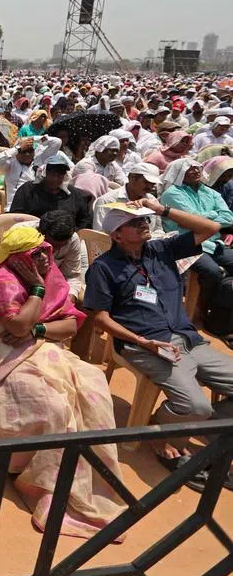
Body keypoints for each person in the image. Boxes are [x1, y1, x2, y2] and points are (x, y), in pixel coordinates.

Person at [0, 224, 124, 538]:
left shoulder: (51, 274)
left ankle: (83, 481)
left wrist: (38, 330)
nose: (43, 258)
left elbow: (68, 327)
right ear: (19, 259)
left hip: (44, 347)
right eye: (35, 254)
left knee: (92, 388)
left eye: (44, 252)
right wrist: (37, 290)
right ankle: (31, 475)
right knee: (51, 404)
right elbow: (17, 324)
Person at [84, 201, 233, 490]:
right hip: (146, 345)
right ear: (116, 234)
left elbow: (211, 228)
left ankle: (206, 429)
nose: (144, 224)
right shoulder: (104, 268)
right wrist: (142, 342)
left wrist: (162, 209)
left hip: (189, 339)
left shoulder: (162, 250)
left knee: (200, 410)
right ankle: (159, 436)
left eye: (145, 220)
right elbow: (100, 319)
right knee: (195, 405)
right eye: (135, 222)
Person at [158, 158, 233, 330]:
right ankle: (199, 310)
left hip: (213, 242)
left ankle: (217, 311)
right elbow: (193, 222)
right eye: (189, 169)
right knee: (212, 272)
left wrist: (201, 218)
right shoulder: (173, 193)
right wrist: (211, 215)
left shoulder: (209, 191)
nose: (196, 171)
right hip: (186, 242)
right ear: (179, 173)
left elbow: (228, 217)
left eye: (197, 168)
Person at [9, 155, 92, 230]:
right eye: (52, 174)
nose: (55, 179)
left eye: (59, 175)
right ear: (44, 173)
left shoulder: (73, 194)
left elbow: (84, 220)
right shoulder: (28, 190)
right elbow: (16, 215)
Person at [92, 163, 163, 233]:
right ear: (132, 177)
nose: (150, 187)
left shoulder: (152, 200)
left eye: (153, 184)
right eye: (146, 182)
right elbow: (100, 233)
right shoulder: (107, 201)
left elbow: (158, 229)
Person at [0, 135, 61, 204]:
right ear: (17, 153)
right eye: (24, 151)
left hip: (37, 206)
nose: (27, 154)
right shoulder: (10, 164)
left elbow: (57, 142)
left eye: (30, 150)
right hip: (15, 207)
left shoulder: (40, 160)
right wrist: (19, 147)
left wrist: (33, 139)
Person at [37, 210, 89, 303]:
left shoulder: (72, 239)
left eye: (60, 247)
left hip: (55, 286)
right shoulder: (23, 236)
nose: (54, 250)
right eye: (51, 245)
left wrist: (69, 299)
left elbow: (72, 276)